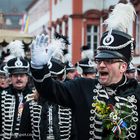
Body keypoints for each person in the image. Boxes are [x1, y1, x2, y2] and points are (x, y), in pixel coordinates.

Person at [30, 2, 140, 140]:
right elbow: (49, 89)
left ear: (123, 66)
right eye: (99, 60)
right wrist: (39, 68)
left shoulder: (136, 92)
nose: (101, 65)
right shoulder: (83, 87)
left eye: (108, 61)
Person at [19, 57, 75, 140]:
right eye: (46, 81)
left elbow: (75, 135)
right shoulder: (29, 106)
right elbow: (24, 136)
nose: (49, 85)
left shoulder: (70, 105)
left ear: (60, 80)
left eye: (54, 80)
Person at [0, 40, 35, 140]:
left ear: (27, 77)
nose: (19, 78)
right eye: (15, 75)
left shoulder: (34, 96)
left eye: (22, 75)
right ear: (10, 77)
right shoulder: (3, 95)